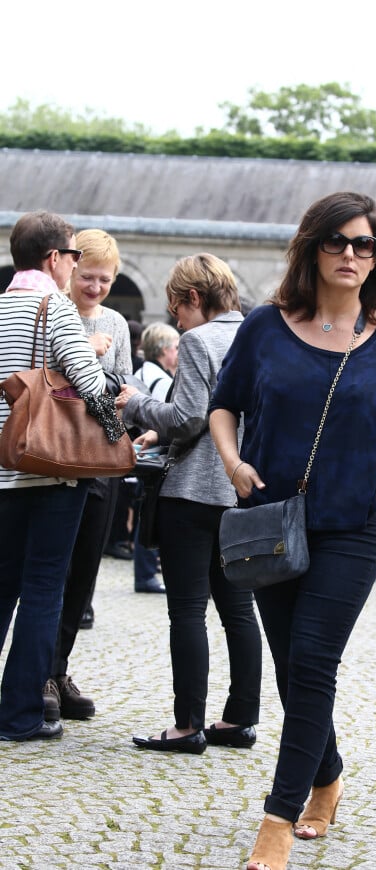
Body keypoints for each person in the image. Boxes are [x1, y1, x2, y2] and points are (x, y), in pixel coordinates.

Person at [209, 191, 376, 870]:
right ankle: (327, 775)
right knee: (292, 667)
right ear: (313, 247)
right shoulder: (267, 326)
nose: (352, 255)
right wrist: (235, 464)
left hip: (352, 528)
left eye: (365, 245)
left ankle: (277, 818)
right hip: (270, 519)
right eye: (338, 242)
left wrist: (374, 485)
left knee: (314, 659)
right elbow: (223, 405)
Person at [115, 253, 262, 755]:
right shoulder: (260, 334)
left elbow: (189, 418)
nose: (177, 320)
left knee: (187, 611)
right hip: (243, 490)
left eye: (177, 308)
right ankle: (240, 719)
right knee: (239, 610)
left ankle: (187, 725)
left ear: (195, 299)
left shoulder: (200, 341)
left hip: (196, 490)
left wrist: (134, 402)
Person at [0, 211, 107, 741]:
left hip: (0, 470)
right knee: (43, 590)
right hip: (49, 472)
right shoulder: (56, 308)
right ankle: (19, 715)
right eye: (74, 255)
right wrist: (115, 431)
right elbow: (88, 383)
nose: (75, 265)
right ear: (53, 259)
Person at [43, 229, 132, 722]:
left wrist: (121, 389)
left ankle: (59, 667)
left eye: (105, 279)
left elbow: (123, 383)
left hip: (99, 457)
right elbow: (41, 380)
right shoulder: (54, 311)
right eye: (88, 277)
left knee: (83, 575)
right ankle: (39, 671)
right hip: (56, 453)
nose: (95, 287)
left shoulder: (116, 322)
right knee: (51, 571)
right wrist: (83, 352)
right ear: (70, 271)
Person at [132, 322, 180, 594]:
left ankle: (146, 573)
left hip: (143, 454)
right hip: (151, 457)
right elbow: (165, 419)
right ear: (164, 350)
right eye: (175, 347)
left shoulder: (144, 372)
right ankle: (147, 574)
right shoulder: (161, 380)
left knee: (145, 513)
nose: (178, 352)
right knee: (148, 515)